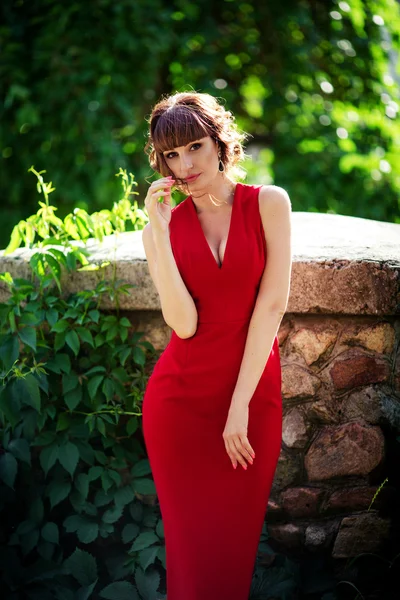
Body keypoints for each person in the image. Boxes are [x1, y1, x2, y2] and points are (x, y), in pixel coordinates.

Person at [141, 91, 292, 600]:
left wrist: (238, 408)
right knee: (191, 559)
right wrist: (158, 233)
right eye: (171, 155)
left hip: (251, 401)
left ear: (220, 142)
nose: (184, 165)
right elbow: (182, 325)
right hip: (180, 404)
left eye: (195, 147)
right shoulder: (163, 227)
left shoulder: (269, 203)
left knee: (230, 559)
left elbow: (271, 307)